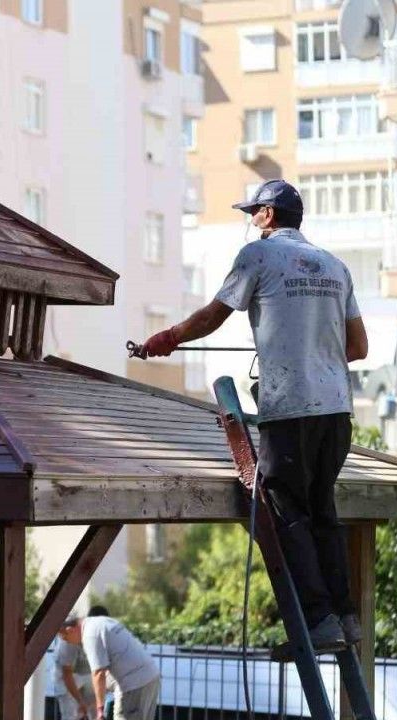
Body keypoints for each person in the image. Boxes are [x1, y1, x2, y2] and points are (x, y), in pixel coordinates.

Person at [139, 179, 369, 649]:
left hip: (290, 409)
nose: (251, 221)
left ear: (268, 215)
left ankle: (319, 620)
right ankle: (346, 618)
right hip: (336, 411)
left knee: (286, 511)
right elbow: (358, 347)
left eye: (253, 213)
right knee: (323, 510)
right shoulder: (336, 266)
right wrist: (312, 353)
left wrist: (169, 338)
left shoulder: (258, 256)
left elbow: (213, 316)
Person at [57, 614, 160, 720]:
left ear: (70, 630)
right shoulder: (101, 622)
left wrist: (100, 710)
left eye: (65, 638)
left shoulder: (89, 636)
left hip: (133, 685)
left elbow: (98, 673)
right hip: (150, 677)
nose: (67, 642)